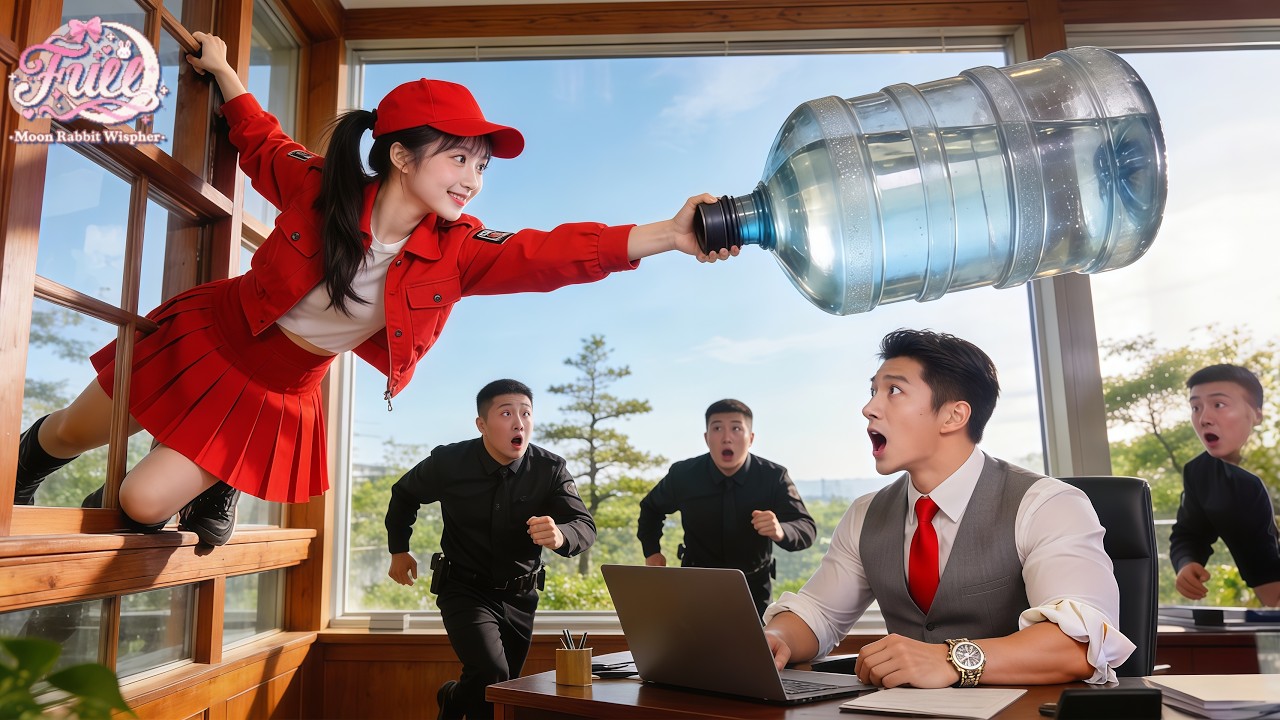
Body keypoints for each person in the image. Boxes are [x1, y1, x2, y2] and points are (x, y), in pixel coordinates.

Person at [10, 31, 733, 546]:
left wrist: (668, 234)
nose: (471, 178)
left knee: (137, 502)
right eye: (457, 157)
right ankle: (29, 464)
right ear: (398, 155)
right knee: (75, 431)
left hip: (270, 392)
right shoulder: (319, 188)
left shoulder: (461, 252)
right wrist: (227, 71)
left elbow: (549, 253)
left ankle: (215, 475)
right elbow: (261, 142)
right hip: (209, 335)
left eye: (481, 165)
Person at [762, 329, 1135, 688]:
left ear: (954, 416)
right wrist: (778, 637)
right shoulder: (865, 514)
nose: (868, 408)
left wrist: (948, 659)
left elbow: (1079, 644)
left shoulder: (1048, 504)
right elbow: (819, 613)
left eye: (893, 390)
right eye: (873, 390)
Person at [384, 379, 592, 720]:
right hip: (464, 589)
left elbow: (584, 525)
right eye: (506, 413)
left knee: (502, 689)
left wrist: (560, 535)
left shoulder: (550, 469)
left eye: (526, 413)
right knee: (493, 674)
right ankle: (455, 699)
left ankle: (453, 699)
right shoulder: (449, 461)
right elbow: (404, 494)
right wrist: (399, 549)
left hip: (521, 596)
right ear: (482, 424)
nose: (519, 422)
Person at [636, 399, 816, 617]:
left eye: (736, 428)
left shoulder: (773, 477)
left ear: (750, 438)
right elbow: (651, 508)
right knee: (693, 648)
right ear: (706, 438)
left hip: (753, 589)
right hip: (694, 585)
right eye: (717, 428)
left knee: (750, 650)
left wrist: (781, 530)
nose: (726, 437)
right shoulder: (683, 474)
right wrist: (652, 551)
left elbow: (806, 528)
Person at [1170, 364, 1280, 607]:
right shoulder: (1200, 473)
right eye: (1195, 407)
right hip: (1268, 613)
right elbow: (1190, 534)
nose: (1204, 419)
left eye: (1219, 405)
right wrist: (1187, 563)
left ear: (1257, 414)